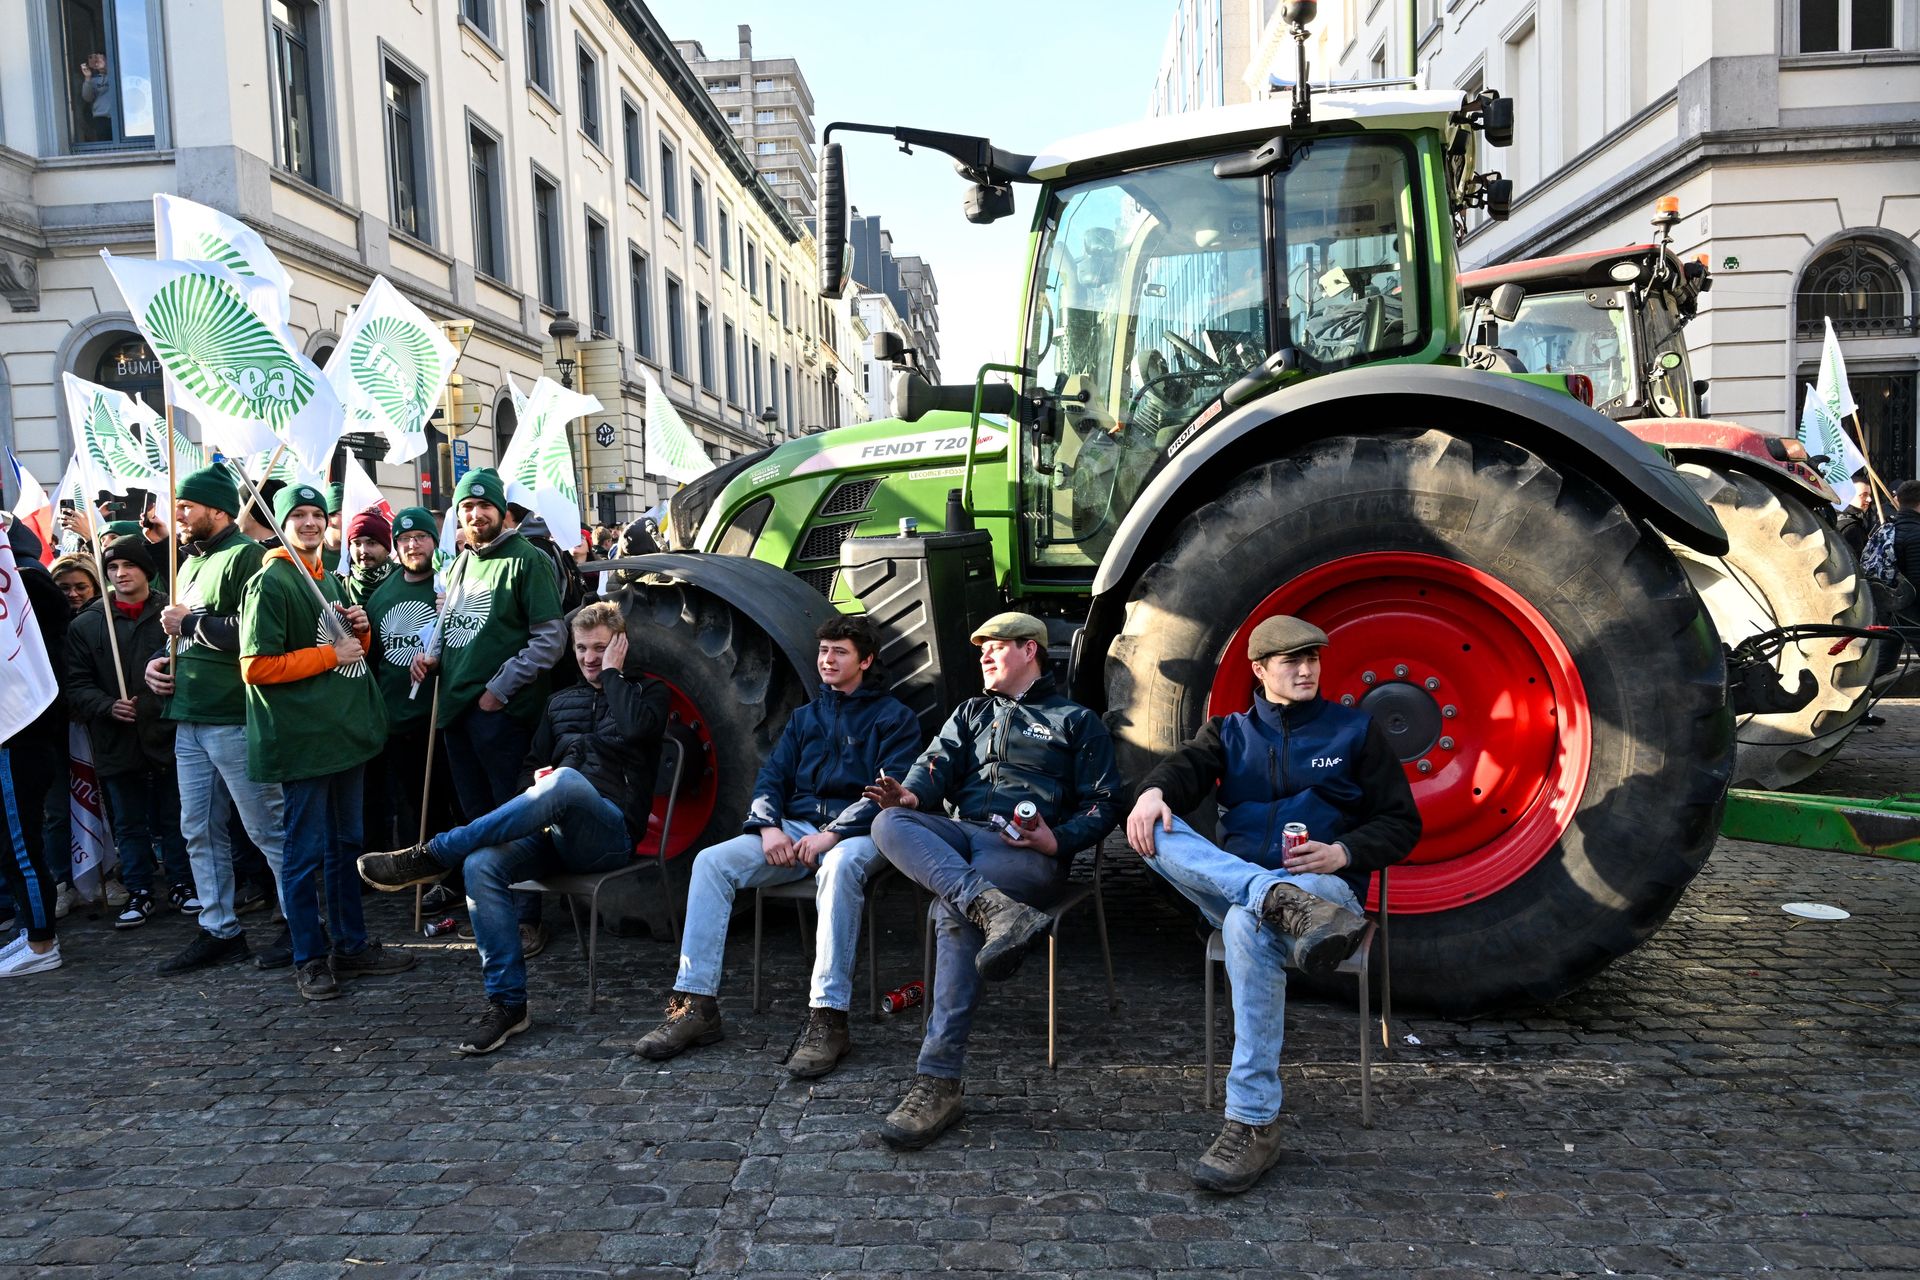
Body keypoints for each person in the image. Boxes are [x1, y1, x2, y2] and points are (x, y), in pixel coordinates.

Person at [1126, 614, 1420, 1194]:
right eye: (1292, 661)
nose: (1307, 670)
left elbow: (1401, 823)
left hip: (1323, 895)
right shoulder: (1228, 733)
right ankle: (1264, 892)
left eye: (1313, 659)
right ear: (1260, 670)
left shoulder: (1354, 731)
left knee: (1244, 924)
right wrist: (1152, 792)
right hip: (1246, 884)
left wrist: (1343, 852)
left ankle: (1253, 1121)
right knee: (1150, 826)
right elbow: (1180, 771)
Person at [359, 602, 669, 1054]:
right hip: (554, 835)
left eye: (601, 648)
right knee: (482, 864)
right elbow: (529, 768)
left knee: (566, 782)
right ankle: (507, 1004)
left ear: (620, 646)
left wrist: (614, 675)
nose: (589, 658)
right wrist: (535, 782)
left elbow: (638, 731)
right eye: (582, 648)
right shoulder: (558, 702)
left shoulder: (647, 694)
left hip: (610, 835)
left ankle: (436, 852)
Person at [862, 612, 1123, 1150]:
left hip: (1023, 848)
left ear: (1029, 650)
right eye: (980, 647)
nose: (982, 655)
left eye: (995, 646)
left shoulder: (1076, 720)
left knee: (952, 912)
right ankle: (993, 907)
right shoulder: (970, 712)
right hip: (963, 833)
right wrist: (908, 794)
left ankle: (939, 1079)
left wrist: (1057, 840)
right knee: (888, 823)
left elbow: (1105, 803)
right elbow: (933, 766)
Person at [635, 615, 923, 1077]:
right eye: (824, 651)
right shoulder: (805, 718)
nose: (827, 660)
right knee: (711, 862)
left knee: (838, 869)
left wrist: (833, 833)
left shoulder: (896, 719)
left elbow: (887, 792)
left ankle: (829, 1018)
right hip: (795, 829)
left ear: (866, 661)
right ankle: (695, 1006)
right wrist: (768, 827)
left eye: (840, 652)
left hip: (861, 835)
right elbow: (771, 777)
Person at [239, 483, 411, 1000]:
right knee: (303, 854)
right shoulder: (270, 582)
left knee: (346, 847)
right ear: (281, 524)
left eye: (318, 514)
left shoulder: (331, 579)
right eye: (299, 515)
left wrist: (361, 631)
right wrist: (331, 655)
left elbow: (350, 652)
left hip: (344, 736)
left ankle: (351, 946)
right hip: (305, 742)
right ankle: (308, 957)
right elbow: (255, 667)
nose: (311, 523)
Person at [410, 469, 565, 955]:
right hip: (456, 711)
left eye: (483, 506)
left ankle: (526, 917)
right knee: (476, 819)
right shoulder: (459, 563)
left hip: (502, 714)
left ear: (501, 510)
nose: (475, 515)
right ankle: (490, 914)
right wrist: (433, 659)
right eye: (466, 508)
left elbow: (550, 639)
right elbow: (455, 630)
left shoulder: (527, 560)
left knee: (513, 817)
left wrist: (498, 690)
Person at [143, 463, 287, 973]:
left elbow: (256, 629)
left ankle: (301, 922)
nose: (178, 515)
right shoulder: (187, 563)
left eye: (186, 506)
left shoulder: (247, 555)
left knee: (267, 827)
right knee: (198, 830)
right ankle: (220, 929)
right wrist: (157, 663)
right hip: (189, 717)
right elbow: (181, 635)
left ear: (219, 510)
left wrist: (190, 625)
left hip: (235, 716)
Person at [65, 537, 193, 928]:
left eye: (129, 566)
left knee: (177, 817)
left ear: (147, 571)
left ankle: (183, 883)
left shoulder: (173, 614)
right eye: (112, 568)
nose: (121, 574)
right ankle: (139, 890)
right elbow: (76, 683)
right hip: (116, 738)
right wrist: (107, 705)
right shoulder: (87, 623)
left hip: (168, 732)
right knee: (129, 822)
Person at [364, 506, 456, 855]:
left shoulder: (450, 585)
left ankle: (455, 875)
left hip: (443, 720)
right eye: (404, 539)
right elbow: (373, 661)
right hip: (399, 724)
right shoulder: (381, 597)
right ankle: (424, 872)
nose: (412, 545)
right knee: (415, 813)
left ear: (433, 541)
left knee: (452, 807)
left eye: (420, 537)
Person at [1, 517, 69, 976]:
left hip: (21, 736)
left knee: (22, 847)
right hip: (16, 735)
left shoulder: (28, 584)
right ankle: (31, 930)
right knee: (10, 846)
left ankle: (43, 943)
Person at [1888, 479, 1920, 617]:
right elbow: (1917, 582)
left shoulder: (1888, 529)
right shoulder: (1916, 533)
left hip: (1893, 609)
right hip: (1911, 615)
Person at [1836, 471, 1878, 558]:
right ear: (1847, 495)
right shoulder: (1852, 528)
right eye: (1864, 495)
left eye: (1869, 495)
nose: (1869, 499)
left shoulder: (1833, 516)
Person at [77, 51, 113, 142]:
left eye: (100, 58)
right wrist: (88, 78)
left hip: (118, 116)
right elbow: (87, 98)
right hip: (101, 118)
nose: (97, 61)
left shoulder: (115, 74)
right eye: (95, 59)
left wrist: (107, 67)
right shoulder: (93, 80)